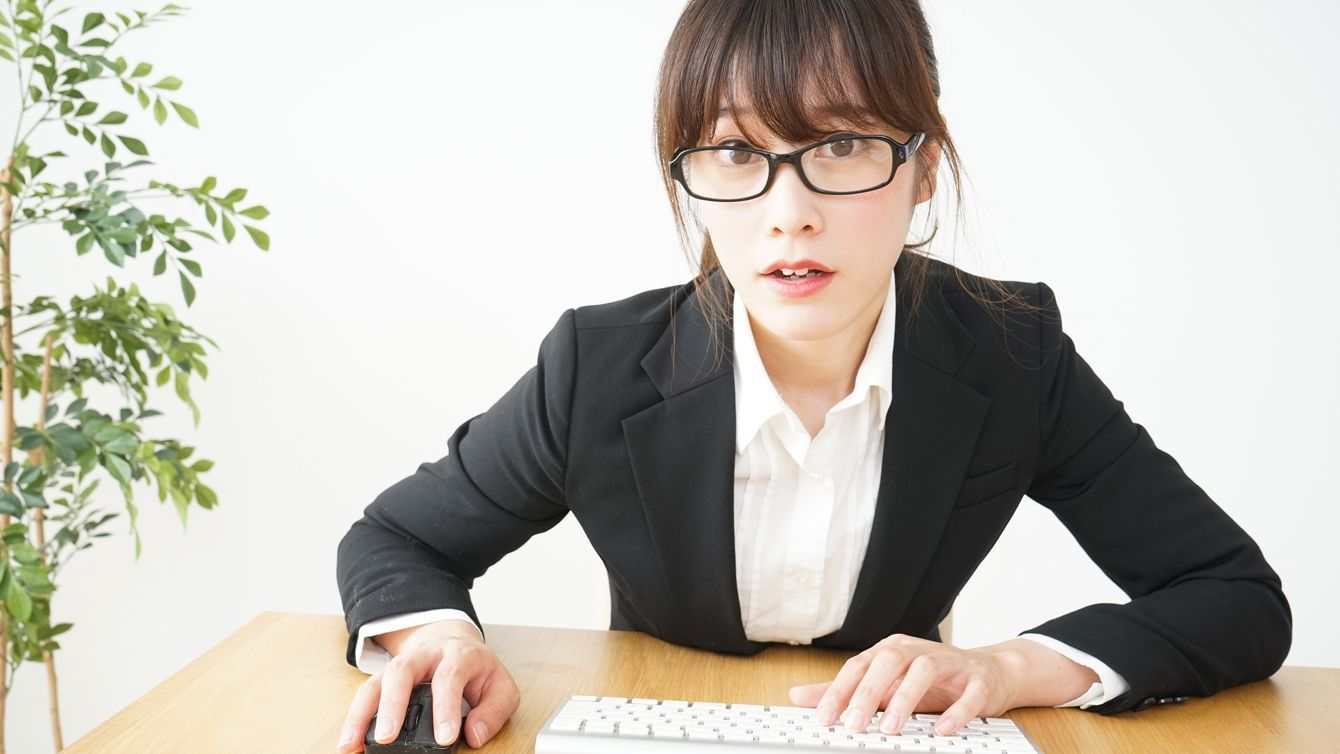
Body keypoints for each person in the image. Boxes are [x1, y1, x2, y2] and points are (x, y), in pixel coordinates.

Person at [334, 1, 1292, 751]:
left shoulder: (1012, 354)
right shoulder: (598, 366)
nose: (788, 212)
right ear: (690, 176)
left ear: (923, 167)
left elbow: (1234, 594)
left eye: (841, 145)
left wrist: (1008, 668)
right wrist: (443, 641)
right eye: (734, 152)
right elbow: (398, 539)